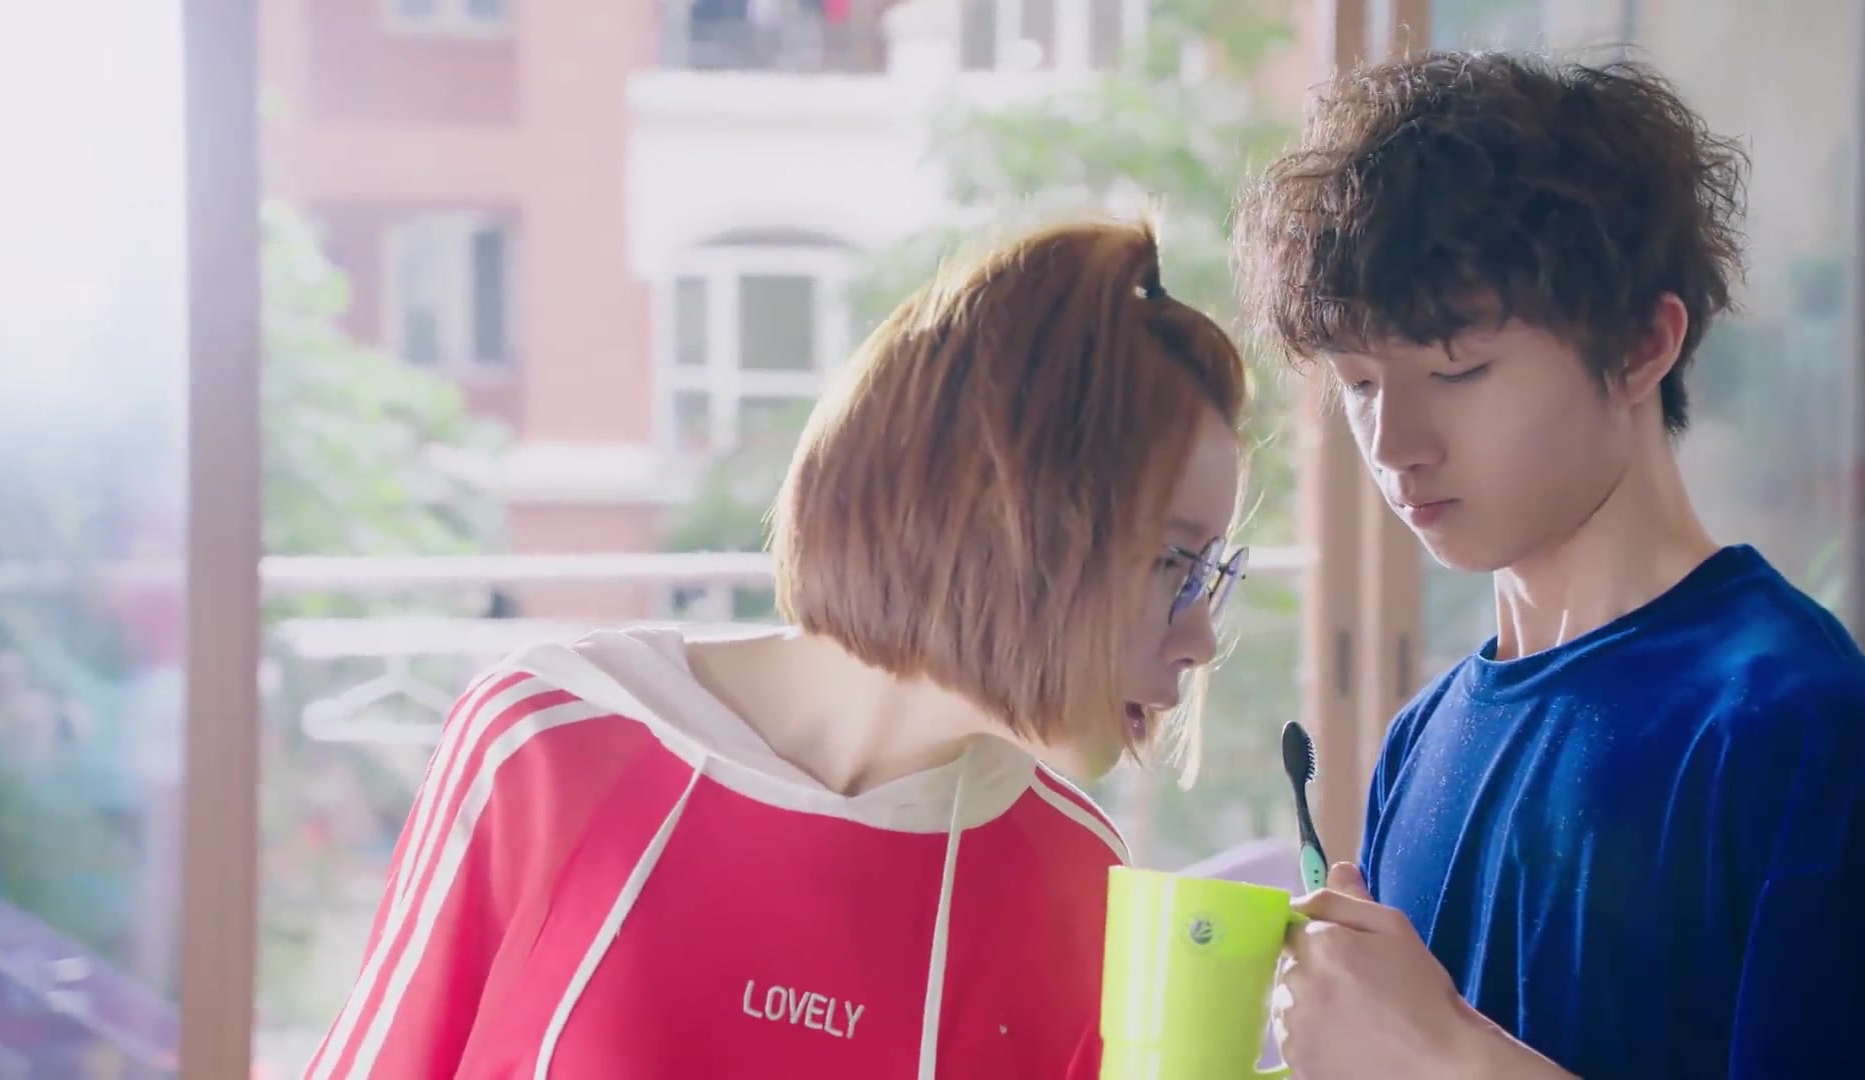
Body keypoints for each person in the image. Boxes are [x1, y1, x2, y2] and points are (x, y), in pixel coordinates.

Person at [304, 218, 1253, 1079]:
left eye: (1213, 573)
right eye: (1175, 563)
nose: (1201, 637)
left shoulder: (1073, 873)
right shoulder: (549, 745)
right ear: (1012, 519)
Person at [1233, 51, 1865, 1079]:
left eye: (1458, 370)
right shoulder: (1422, 739)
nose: (1395, 445)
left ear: (1641, 346)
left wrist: (1439, 1053)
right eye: (1360, 384)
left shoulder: (1795, 723)